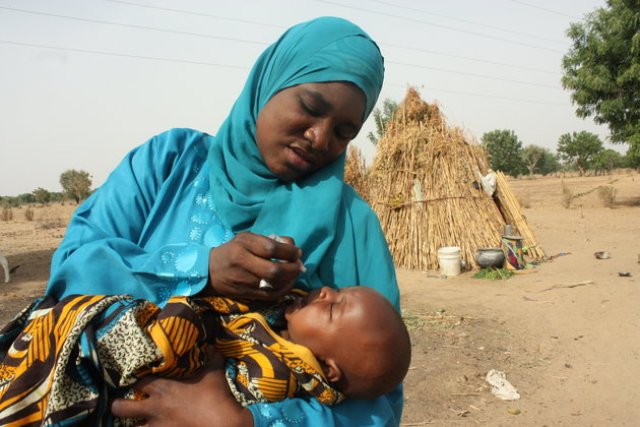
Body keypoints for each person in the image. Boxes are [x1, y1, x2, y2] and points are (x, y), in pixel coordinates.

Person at [42, 16, 402, 426]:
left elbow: (377, 399)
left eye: (343, 132)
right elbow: (71, 270)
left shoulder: (352, 225)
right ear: (270, 80)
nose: (320, 138)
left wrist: (245, 421)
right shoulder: (168, 163)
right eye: (310, 107)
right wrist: (203, 269)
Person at [0, 286, 410, 425]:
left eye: (334, 307)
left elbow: (225, 391)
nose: (323, 291)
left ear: (330, 370)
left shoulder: (279, 375)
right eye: (336, 290)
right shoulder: (281, 317)